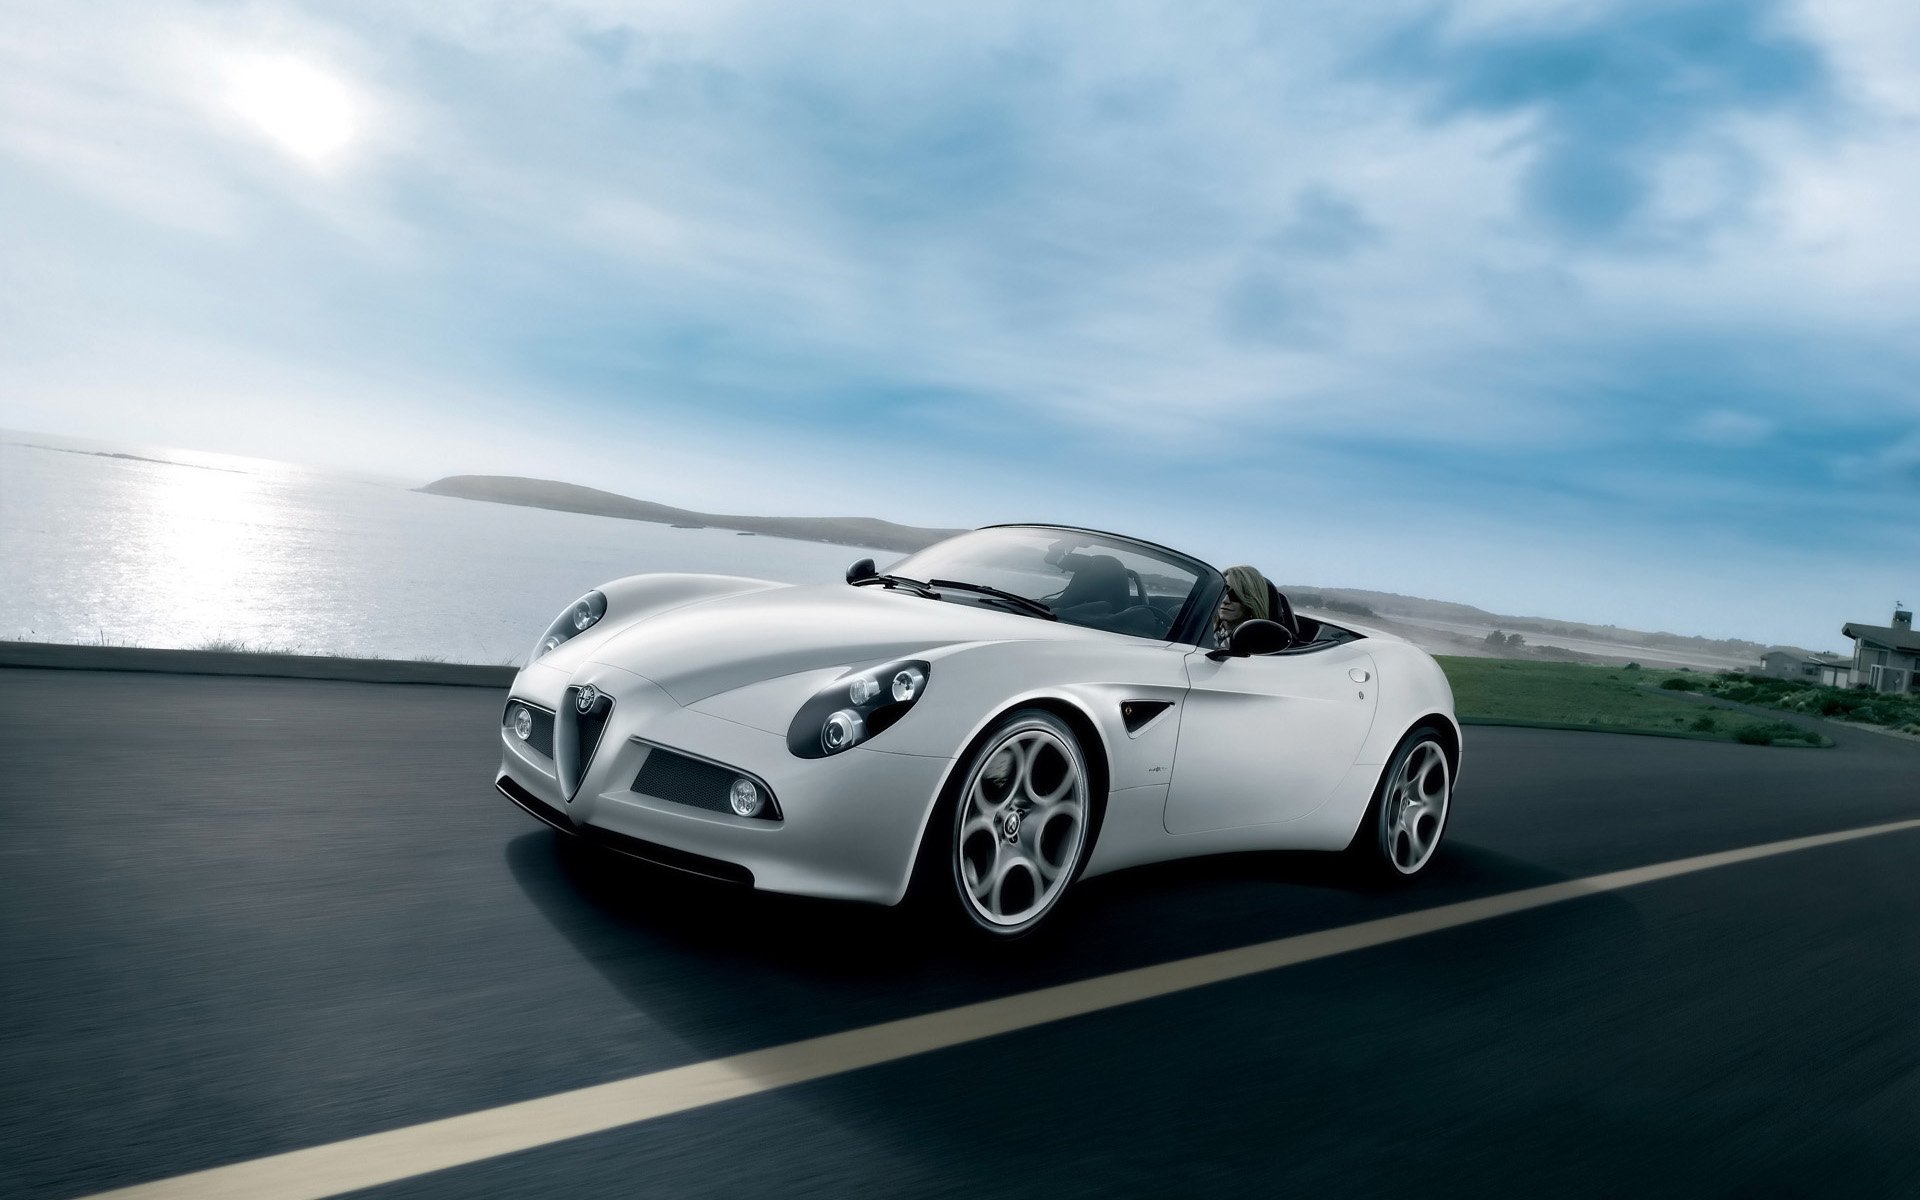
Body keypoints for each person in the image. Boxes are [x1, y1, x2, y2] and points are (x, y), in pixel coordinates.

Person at [1214, 564, 1275, 647]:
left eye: (1235, 595)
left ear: (1252, 601)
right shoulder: (1204, 627)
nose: (1225, 600)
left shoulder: (1256, 643)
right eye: (1223, 591)